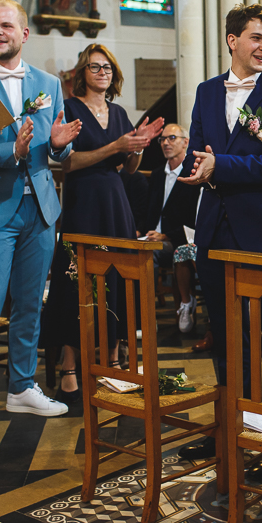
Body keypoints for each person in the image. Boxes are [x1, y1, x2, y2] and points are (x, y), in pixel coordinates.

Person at [175, 4, 262, 474]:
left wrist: (219, 167)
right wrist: (194, 170)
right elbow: (197, 148)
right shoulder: (207, 91)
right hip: (215, 226)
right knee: (228, 336)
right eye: (256, 38)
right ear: (232, 40)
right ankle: (233, 428)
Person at [0, 0, 82, 439]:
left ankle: (22, 386)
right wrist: (15, 151)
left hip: (40, 207)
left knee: (30, 302)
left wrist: (58, 145)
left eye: (6, 25)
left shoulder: (47, 83)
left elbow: (55, 147)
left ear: (24, 34)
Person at [41, 44, 162, 401]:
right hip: (83, 203)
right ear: (82, 73)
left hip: (115, 204)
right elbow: (68, 164)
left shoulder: (120, 112)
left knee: (115, 280)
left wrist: (136, 149)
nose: (102, 73)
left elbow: (129, 169)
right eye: (94, 67)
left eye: (107, 68)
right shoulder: (70, 109)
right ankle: (69, 368)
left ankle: (110, 364)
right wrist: (115, 147)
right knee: (74, 283)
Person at [144, 123, 201, 333]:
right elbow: (149, 210)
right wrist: (141, 231)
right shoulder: (158, 174)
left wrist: (165, 235)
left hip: (178, 239)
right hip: (153, 237)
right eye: (162, 139)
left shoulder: (192, 173)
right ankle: (134, 316)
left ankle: (146, 319)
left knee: (148, 257)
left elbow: (194, 220)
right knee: (129, 252)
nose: (166, 143)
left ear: (186, 142)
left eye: (172, 138)